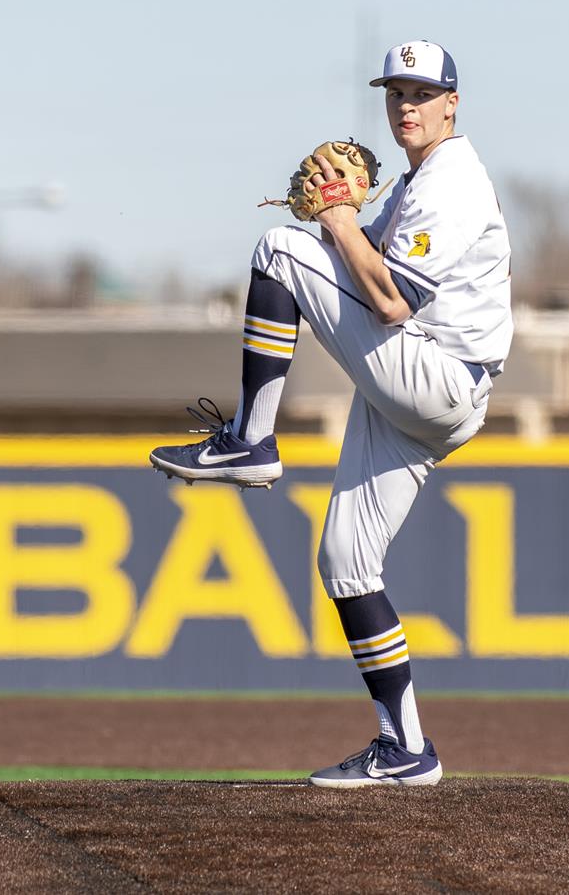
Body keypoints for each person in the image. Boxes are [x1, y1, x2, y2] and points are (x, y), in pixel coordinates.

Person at [149, 40, 511, 788]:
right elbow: (360, 273)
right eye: (395, 93)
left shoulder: (453, 181)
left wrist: (336, 222)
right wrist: (337, 229)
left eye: (421, 93)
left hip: (437, 373)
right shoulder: (418, 184)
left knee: (278, 252)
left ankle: (252, 439)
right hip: (418, 390)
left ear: (452, 103)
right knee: (347, 565)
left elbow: (387, 300)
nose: (406, 106)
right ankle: (405, 746)